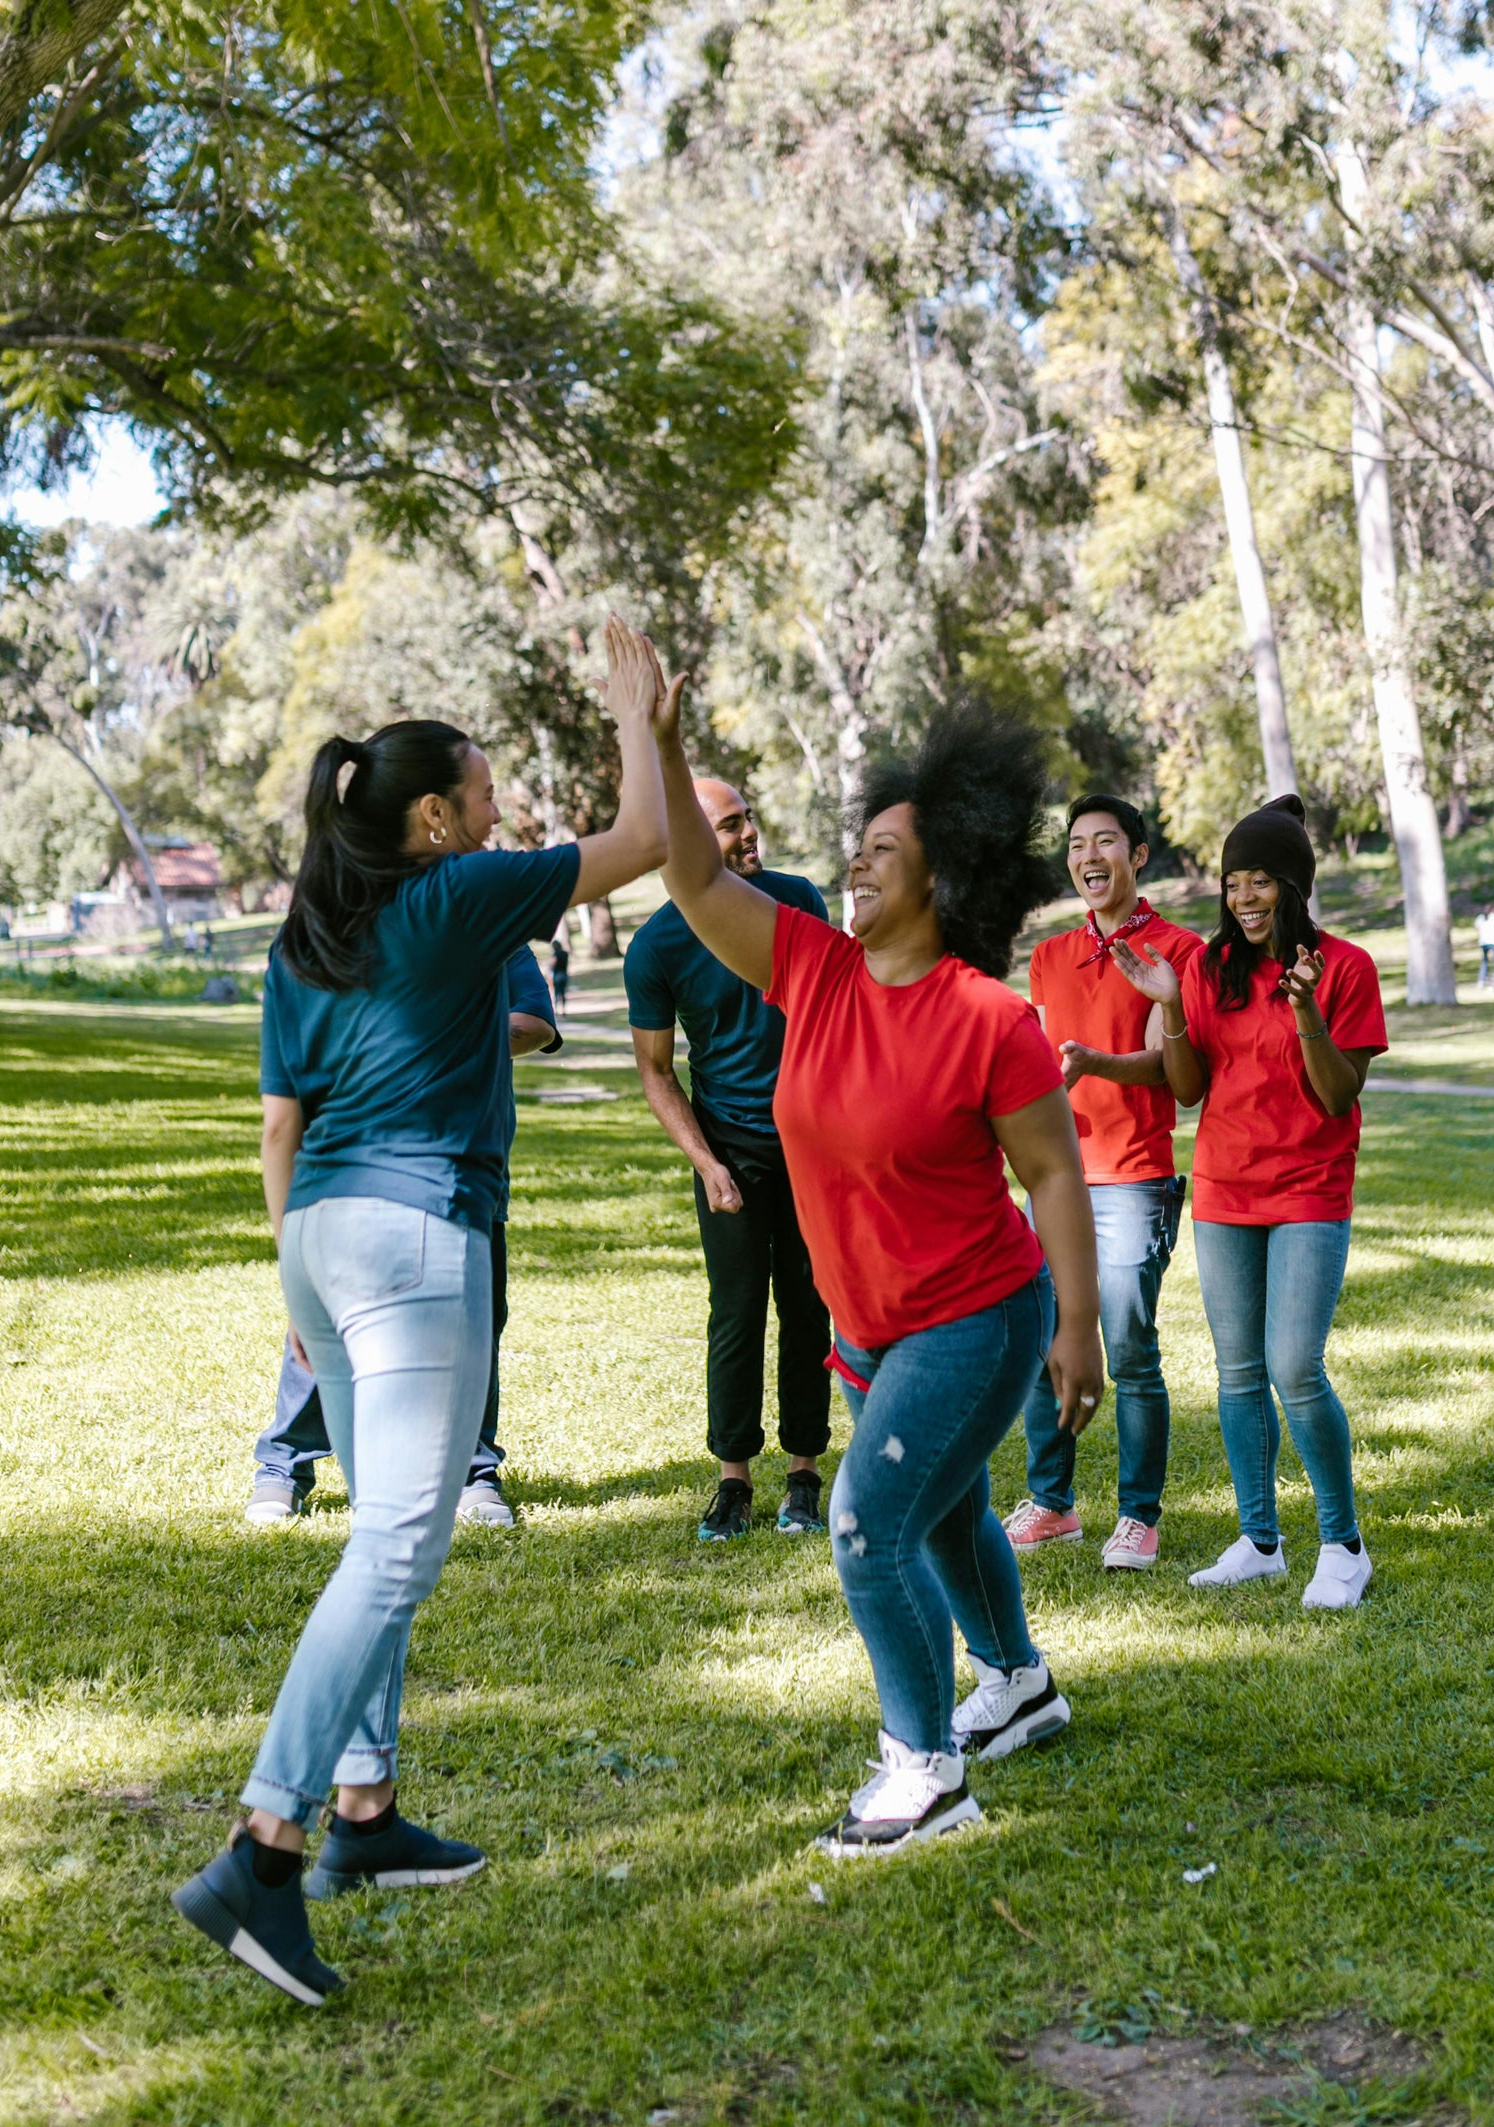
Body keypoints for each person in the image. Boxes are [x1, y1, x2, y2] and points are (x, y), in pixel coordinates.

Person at [171, 617, 668, 2002]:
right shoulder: (453, 897)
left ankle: (366, 1816)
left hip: (323, 1234)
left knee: (383, 1519)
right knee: (398, 1540)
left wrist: (290, 1272)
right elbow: (638, 843)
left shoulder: (308, 938)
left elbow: (281, 1123)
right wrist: (638, 713)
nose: (503, 802)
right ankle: (263, 1847)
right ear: (437, 813)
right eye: (489, 784)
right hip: (414, 1233)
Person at [652, 679, 1103, 1856]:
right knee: (947, 1516)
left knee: (865, 1525)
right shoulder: (813, 968)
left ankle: (924, 1771)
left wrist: (1078, 1326)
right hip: (869, 1324)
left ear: (940, 880)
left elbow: (1052, 1177)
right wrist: (655, 744)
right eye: (854, 849)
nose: (853, 869)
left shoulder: (986, 1019)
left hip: (976, 1313)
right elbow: (696, 881)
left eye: (880, 854)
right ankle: (1016, 1684)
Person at [1109, 795, 1387, 1612]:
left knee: (1293, 1366)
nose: (1245, 898)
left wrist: (1304, 1010)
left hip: (1309, 1190)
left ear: (1293, 886)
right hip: (1227, 1189)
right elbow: (1188, 1090)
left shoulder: (1345, 968)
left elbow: (1338, 1096)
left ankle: (1343, 1545)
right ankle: (1259, 1540)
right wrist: (1168, 1006)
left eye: (1262, 880)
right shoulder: (1205, 968)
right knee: (1237, 1374)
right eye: (1234, 882)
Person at [243, 944, 561, 1530]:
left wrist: (452, 1040)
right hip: (355, 1161)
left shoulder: (489, 920)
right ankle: (284, 1467)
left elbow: (535, 1022)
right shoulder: (334, 924)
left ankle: (473, 1473)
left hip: (467, 1162)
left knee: (471, 1323)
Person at [626, 779, 834, 1540]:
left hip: (813, 1142)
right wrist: (707, 1162)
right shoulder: (657, 944)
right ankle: (735, 1482)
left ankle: (805, 1475)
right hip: (729, 1147)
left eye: (749, 817)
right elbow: (655, 1068)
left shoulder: (798, 900)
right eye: (729, 825)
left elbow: (837, 1013)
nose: (750, 834)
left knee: (810, 1304)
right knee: (738, 1311)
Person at [1006, 794, 1203, 1569]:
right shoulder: (1050, 956)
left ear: (1139, 854)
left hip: (1132, 1179)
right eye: (1078, 844)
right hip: (1053, 1177)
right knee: (1040, 1342)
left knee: (1126, 1349)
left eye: (1107, 841)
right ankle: (1053, 1504)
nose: (1090, 856)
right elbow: (1037, 1062)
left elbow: (1169, 1068)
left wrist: (1092, 1062)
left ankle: (1139, 1517)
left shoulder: (1176, 950)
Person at [1476, 905, 1494, 986]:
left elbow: (1477, 928)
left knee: (1484, 961)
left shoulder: (1480, 918)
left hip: (1483, 942)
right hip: (1493, 941)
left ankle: (1481, 979)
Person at [550, 915, 572, 1014]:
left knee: (556, 993)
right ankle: (563, 1010)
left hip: (557, 974)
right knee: (563, 993)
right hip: (564, 974)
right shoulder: (565, 954)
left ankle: (557, 1010)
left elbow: (553, 964)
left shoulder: (555, 954)